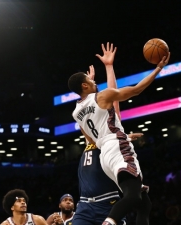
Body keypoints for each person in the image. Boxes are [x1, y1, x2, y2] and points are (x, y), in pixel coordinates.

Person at [68, 42, 170, 225]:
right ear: (84, 85)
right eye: (91, 81)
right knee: (133, 197)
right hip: (117, 147)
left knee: (143, 201)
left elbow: (91, 138)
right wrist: (158, 69)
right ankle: (110, 222)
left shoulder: (76, 113)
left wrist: (96, 78)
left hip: (105, 156)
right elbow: (136, 90)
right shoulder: (102, 97)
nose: (94, 82)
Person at [72, 43, 144, 225]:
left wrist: (109, 67)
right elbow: (85, 111)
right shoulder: (90, 134)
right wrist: (87, 93)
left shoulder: (108, 138)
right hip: (84, 204)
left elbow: (113, 98)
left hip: (107, 201)